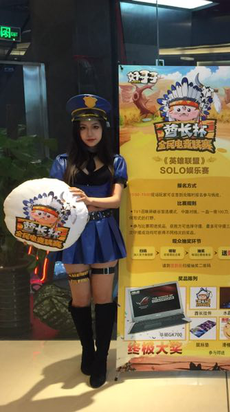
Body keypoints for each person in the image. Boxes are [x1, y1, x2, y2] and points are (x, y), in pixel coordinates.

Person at [50, 94, 128, 388]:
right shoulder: (62, 162)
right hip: (73, 235)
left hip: (104, 233)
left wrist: (87, 200)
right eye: (83, 127)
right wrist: (91, 203)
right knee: (80, 300)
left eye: (95, 126)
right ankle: (87, 349)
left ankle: (102, 358)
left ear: (103, 129)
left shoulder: (116, 161)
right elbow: (56, 203)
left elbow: (116, 201)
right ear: (76, 130)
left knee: (103, 298)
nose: (89, 133)